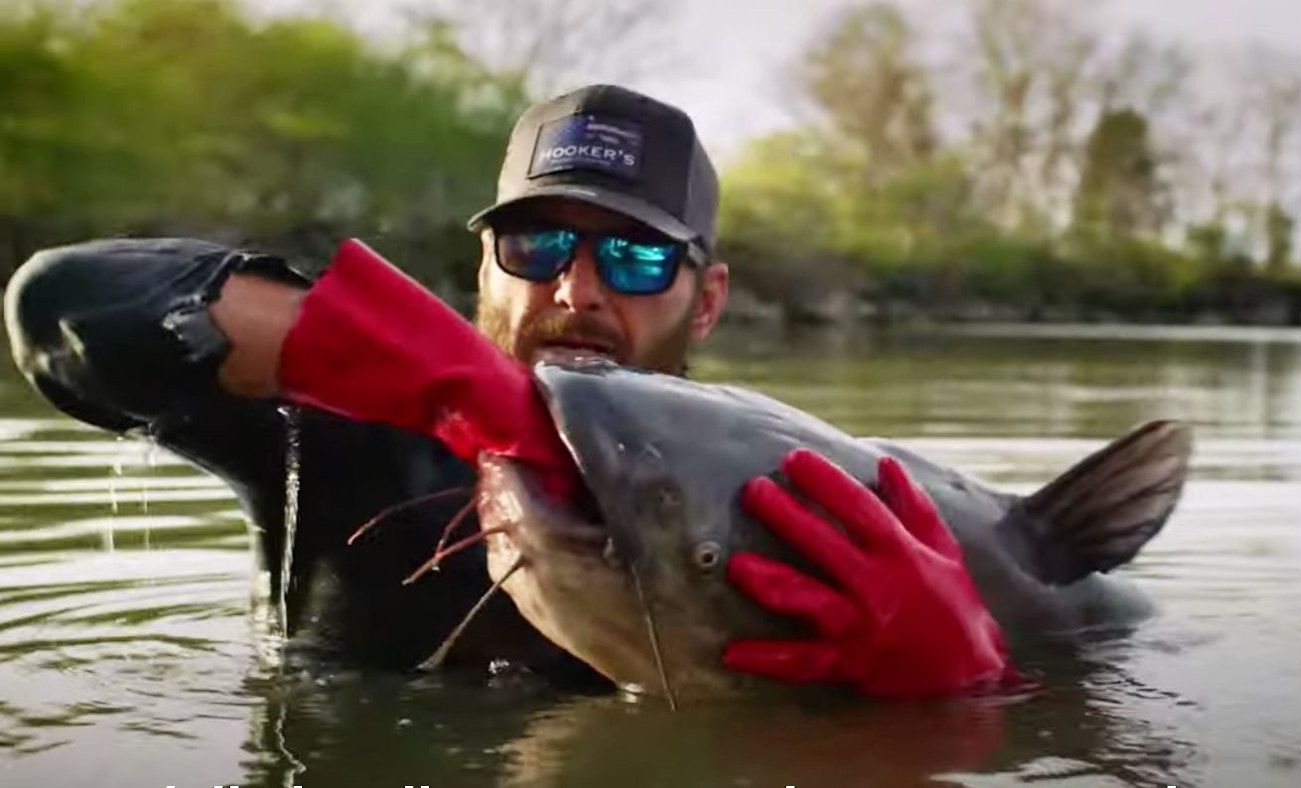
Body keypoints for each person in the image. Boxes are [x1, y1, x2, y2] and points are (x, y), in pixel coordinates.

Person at [5, 84, 1015, 699]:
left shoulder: (806, 510)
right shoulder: (343, 441)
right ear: (482, 271)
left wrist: (968, 687)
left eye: (628, 256)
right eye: (534, 246)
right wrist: (441, 379)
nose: (574, 289)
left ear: (704, 301)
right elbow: (63, 313)